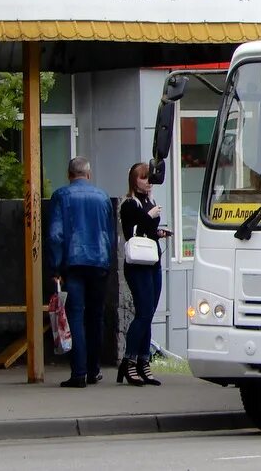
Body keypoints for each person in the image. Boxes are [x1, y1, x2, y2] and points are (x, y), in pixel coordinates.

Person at [47, 157, 115, 388]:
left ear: (69, 175)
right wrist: (108, 262)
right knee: (95, 317)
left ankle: (78, 373)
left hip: (73, 264)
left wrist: (56, 267)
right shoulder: (103, 197)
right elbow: (109, 233)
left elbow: (56, 234)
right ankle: (94, 370)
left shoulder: (61, 196)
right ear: (88, 174)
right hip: (99, 263)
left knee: (75, 315)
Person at [119, 162, 172, 386]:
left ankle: (143, 360)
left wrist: (158, 232)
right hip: (137, 264)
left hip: (152, 260)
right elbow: (131, 232)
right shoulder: (129, 204)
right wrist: (149, 216)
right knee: (142, 312)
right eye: (143, 178)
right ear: (134, 180)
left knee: (149, 313)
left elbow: (146, 231)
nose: (148, 182)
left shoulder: (150, 201)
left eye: (149, 178)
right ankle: (129, 360)